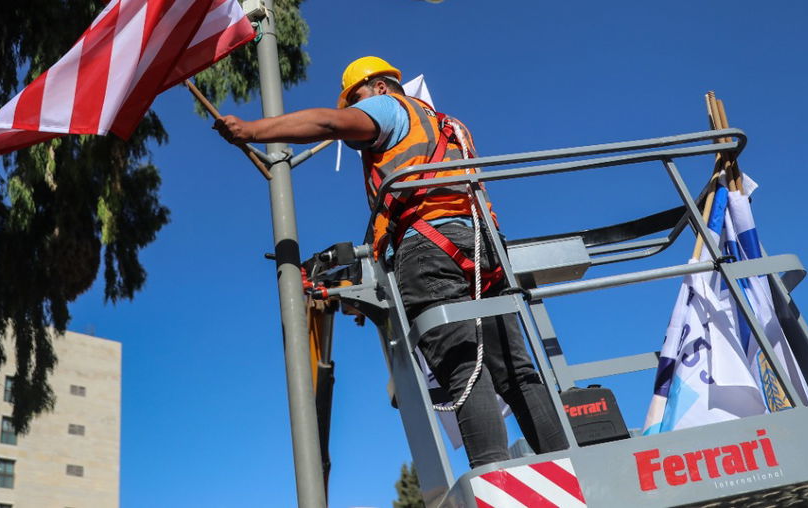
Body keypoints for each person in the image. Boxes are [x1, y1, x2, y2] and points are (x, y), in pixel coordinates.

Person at [213, 56, 568, 468]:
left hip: (431, 249)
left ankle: (496, 480)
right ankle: (571, 466)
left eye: (357, 100)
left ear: (380, 88)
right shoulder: (447, 126)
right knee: (517, 372)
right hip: (482, 247)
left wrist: (252, 131)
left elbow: (328, 124)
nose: (354, 113)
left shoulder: (388, 109)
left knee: (462, 367)